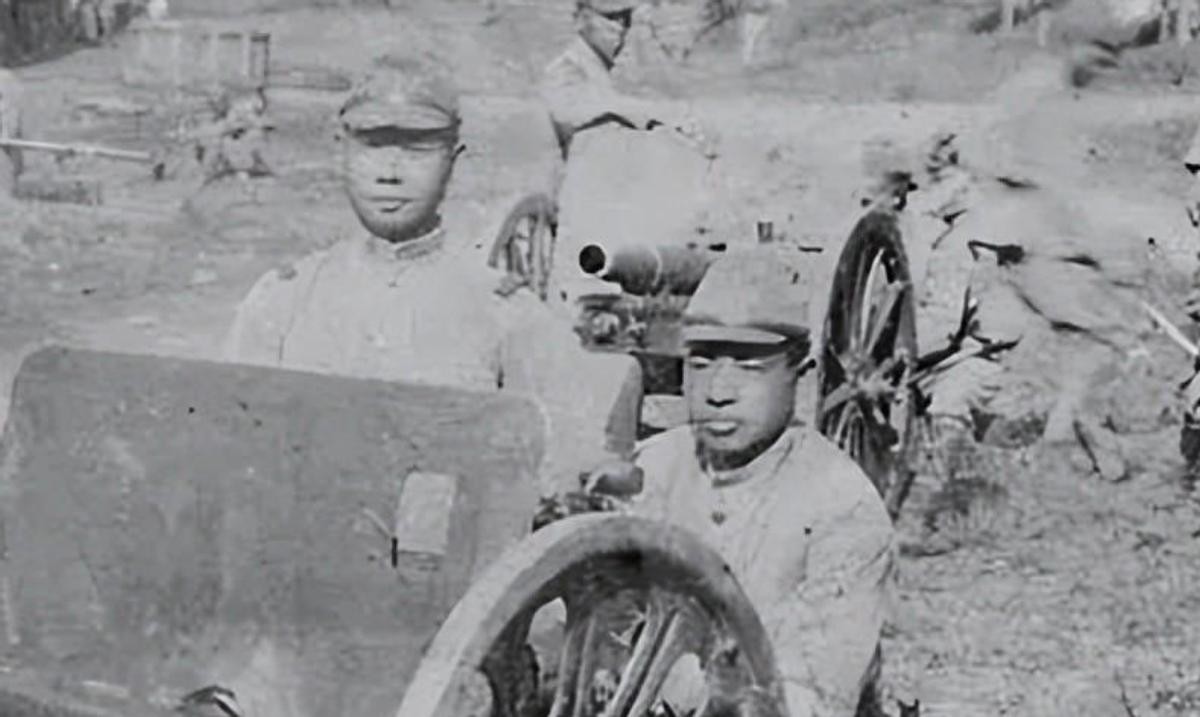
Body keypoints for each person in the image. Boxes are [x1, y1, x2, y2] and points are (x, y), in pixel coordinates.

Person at [223, 59, 643, 496]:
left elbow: (574, 464)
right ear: (340, 151)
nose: (390, 172)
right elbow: (229, 445)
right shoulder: (282, 301)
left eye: (417, 150)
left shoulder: (507, 316)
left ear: (453, 160)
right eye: (372, 146)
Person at [587, 249, 896, 717]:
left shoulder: (842, 509)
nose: (718, 391)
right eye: (701, 363)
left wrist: (672, 680)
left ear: (801, 375)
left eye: (750, 367)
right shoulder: (655, 467)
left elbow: (816, 702)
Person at [540, 0, 708, 160]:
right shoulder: (565, 69)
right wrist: (662, 113)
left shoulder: (596, 69)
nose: (620, 28)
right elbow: (574, 111)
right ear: (581, 19)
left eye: (626, 18)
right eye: (611, 17)